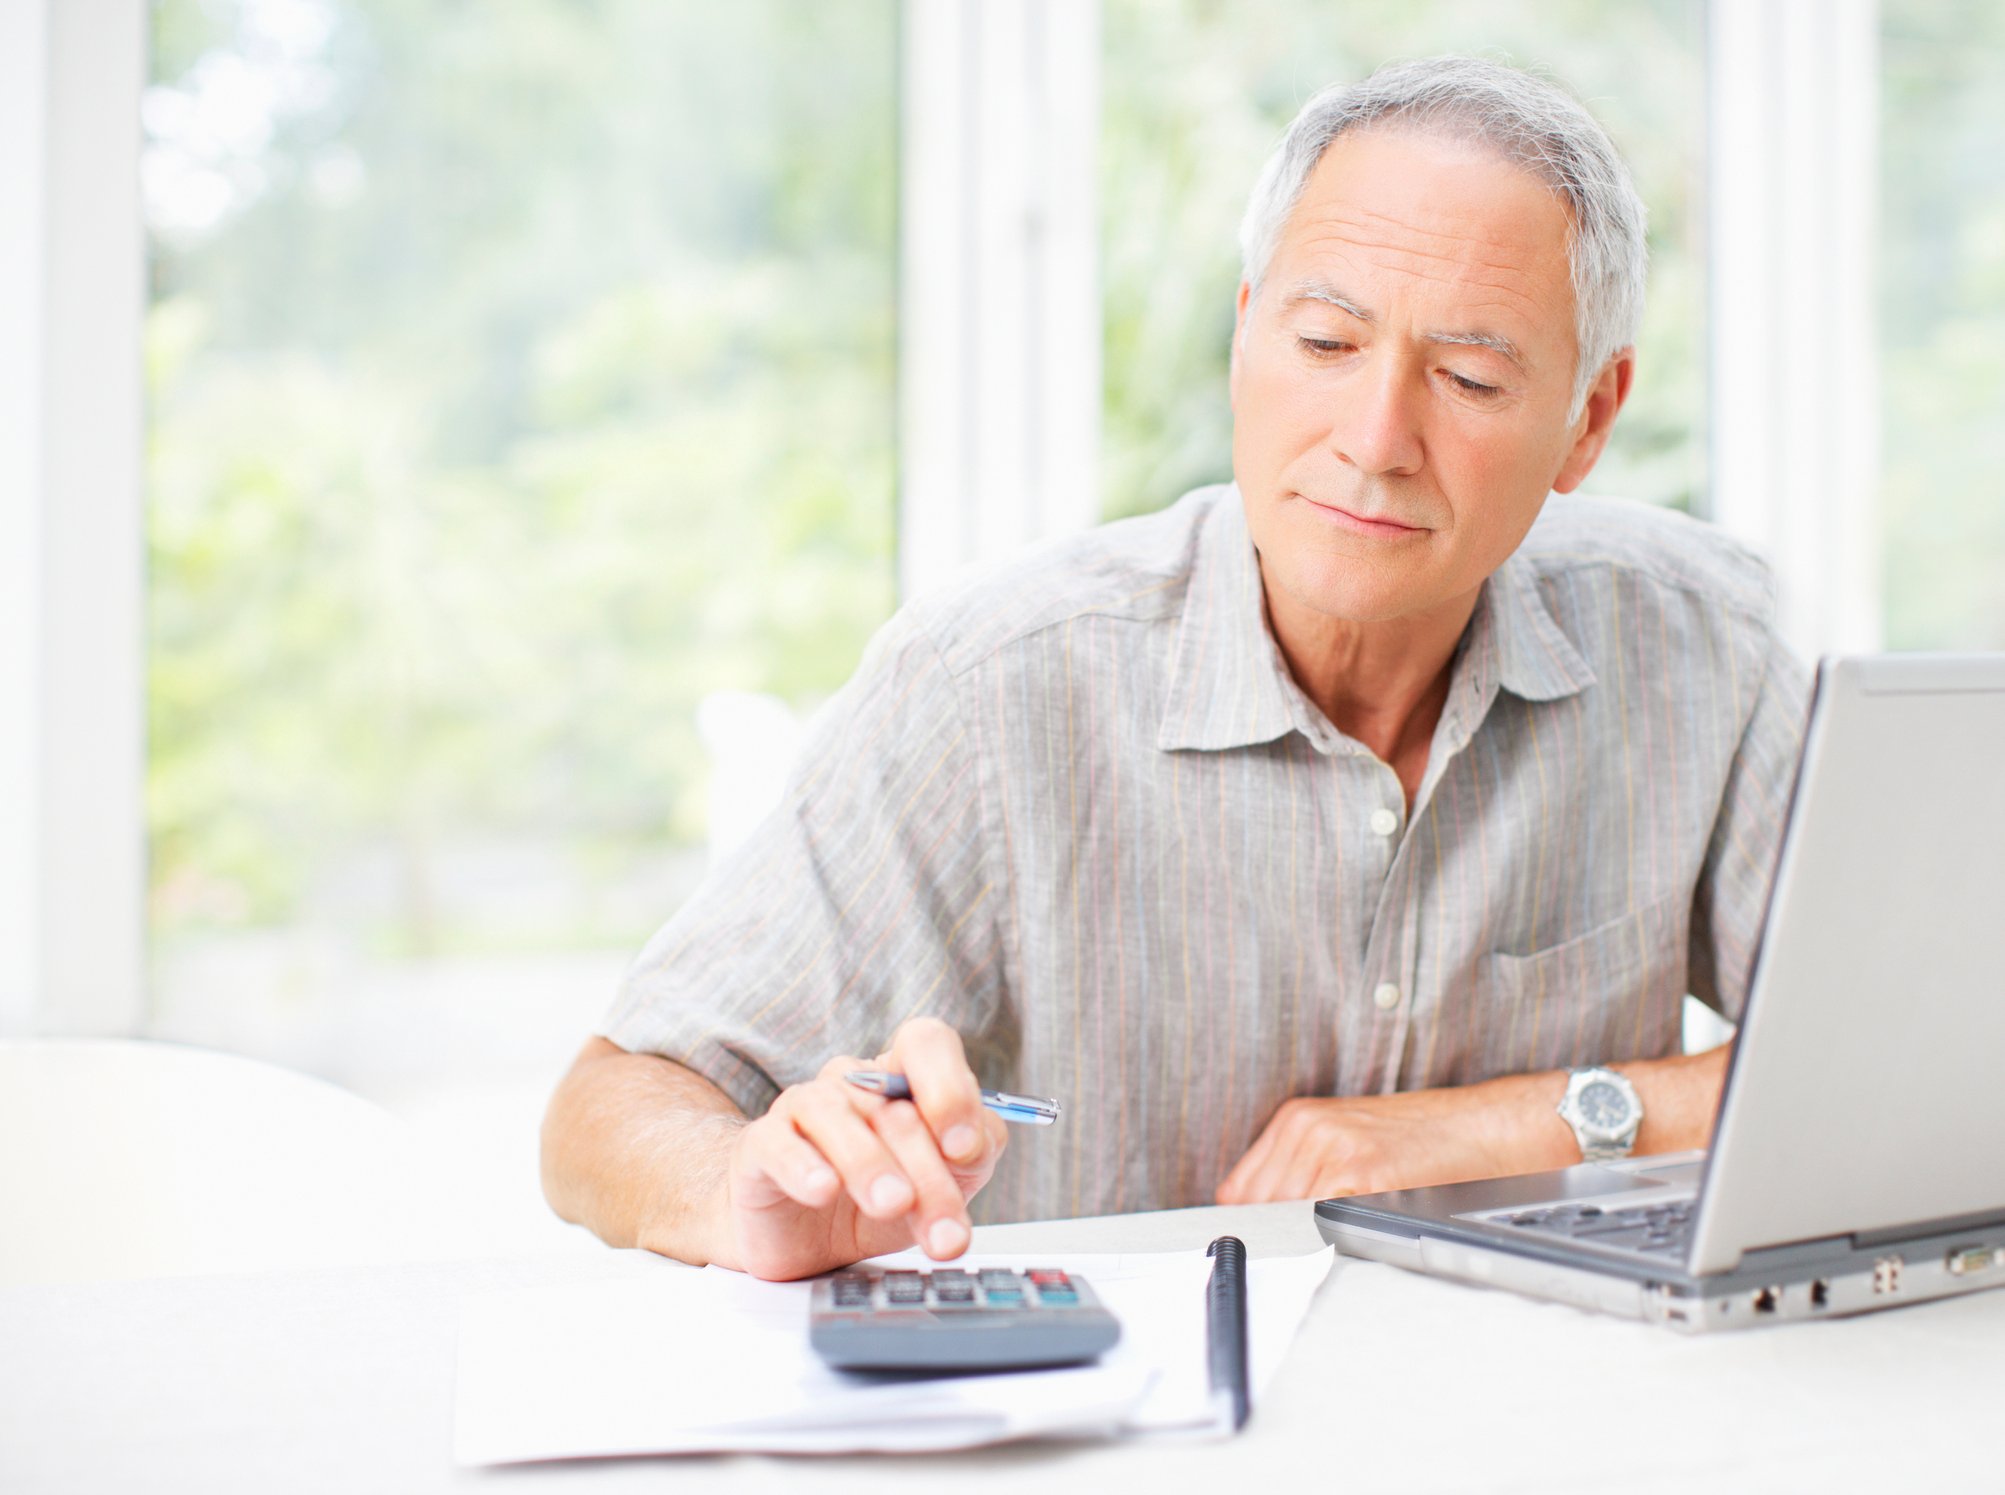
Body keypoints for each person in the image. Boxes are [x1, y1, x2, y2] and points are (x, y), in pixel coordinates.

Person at [541, 55, 1805, 1282]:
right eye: (1325, 343)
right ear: (1245, 337)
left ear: (1588, 420)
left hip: (1561, 1386)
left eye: (1469, 377)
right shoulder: (993, 684)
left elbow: (1894, 1057)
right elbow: (610, 1105)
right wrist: (745, 1189)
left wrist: (1508, 1125)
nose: (1375, 439)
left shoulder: (1702, 643)